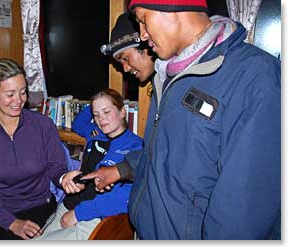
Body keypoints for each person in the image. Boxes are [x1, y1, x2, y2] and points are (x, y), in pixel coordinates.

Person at [79, 0, 281, 240]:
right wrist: (122, 169)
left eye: (143, 20)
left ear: (171, 6)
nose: (142, 35)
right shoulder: (168, 75)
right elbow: (166, 152)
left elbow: (246, 205)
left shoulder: (256, 76)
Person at [0, 58, 69, 240]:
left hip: (38, 206)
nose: (19, 101)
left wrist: (64, 178)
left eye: (22, 92)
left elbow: (56, 167)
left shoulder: (43, 125)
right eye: (10, 94)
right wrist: (11, 222)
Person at [34, 88, 143, 240]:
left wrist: (79, 213)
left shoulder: (136, 147)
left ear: (122, 112)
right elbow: (78, 123)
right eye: (96, 114)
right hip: (70, 203)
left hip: (94, 215)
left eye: (107, 112)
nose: (101, 119)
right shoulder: (96, 132)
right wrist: (96, 103)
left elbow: (127, 196)